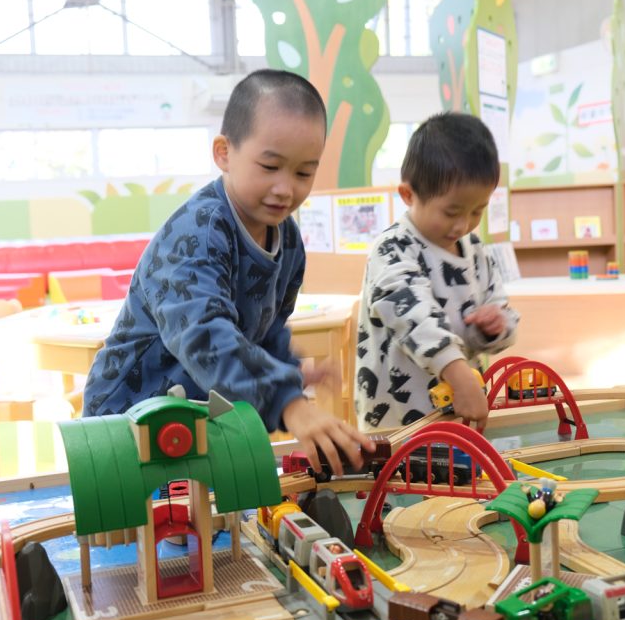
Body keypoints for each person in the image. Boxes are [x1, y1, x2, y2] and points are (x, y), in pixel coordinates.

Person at [83, 69, 373, 475]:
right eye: (270, 166)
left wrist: (287, 369)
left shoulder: (287, 240)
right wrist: (289, 402)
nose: (285, 188)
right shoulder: (197, 232)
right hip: (127, 422)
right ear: (224, 153)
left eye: (303, 173)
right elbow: (204, 333)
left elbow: (267, 331)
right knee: (142, 514)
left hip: (200, 419)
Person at [355, 112, 519, 430]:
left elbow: (499, 306)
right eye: (451, 212)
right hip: (399, 425)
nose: (463, 225)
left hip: (460, 413)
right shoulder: (392, 248)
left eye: (477, 211)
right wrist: (458, 374)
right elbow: (412, 315)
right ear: (408, 195)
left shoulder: (474, 250)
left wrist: (494, 327)